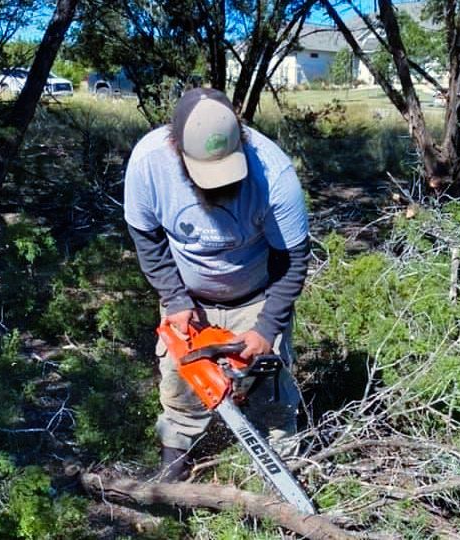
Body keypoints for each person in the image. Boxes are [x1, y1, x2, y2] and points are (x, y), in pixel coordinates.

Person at [124, 88, 310, 481]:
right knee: (182, 385)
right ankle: (174, 467)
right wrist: (174, 297)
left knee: (270, 390)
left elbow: (292, 260)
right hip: (188, 298)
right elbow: (147, 236)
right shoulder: (148, 163)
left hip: (257, 294)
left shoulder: (273, 175)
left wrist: (266, 327)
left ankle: (283, 472)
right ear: (178, 150)